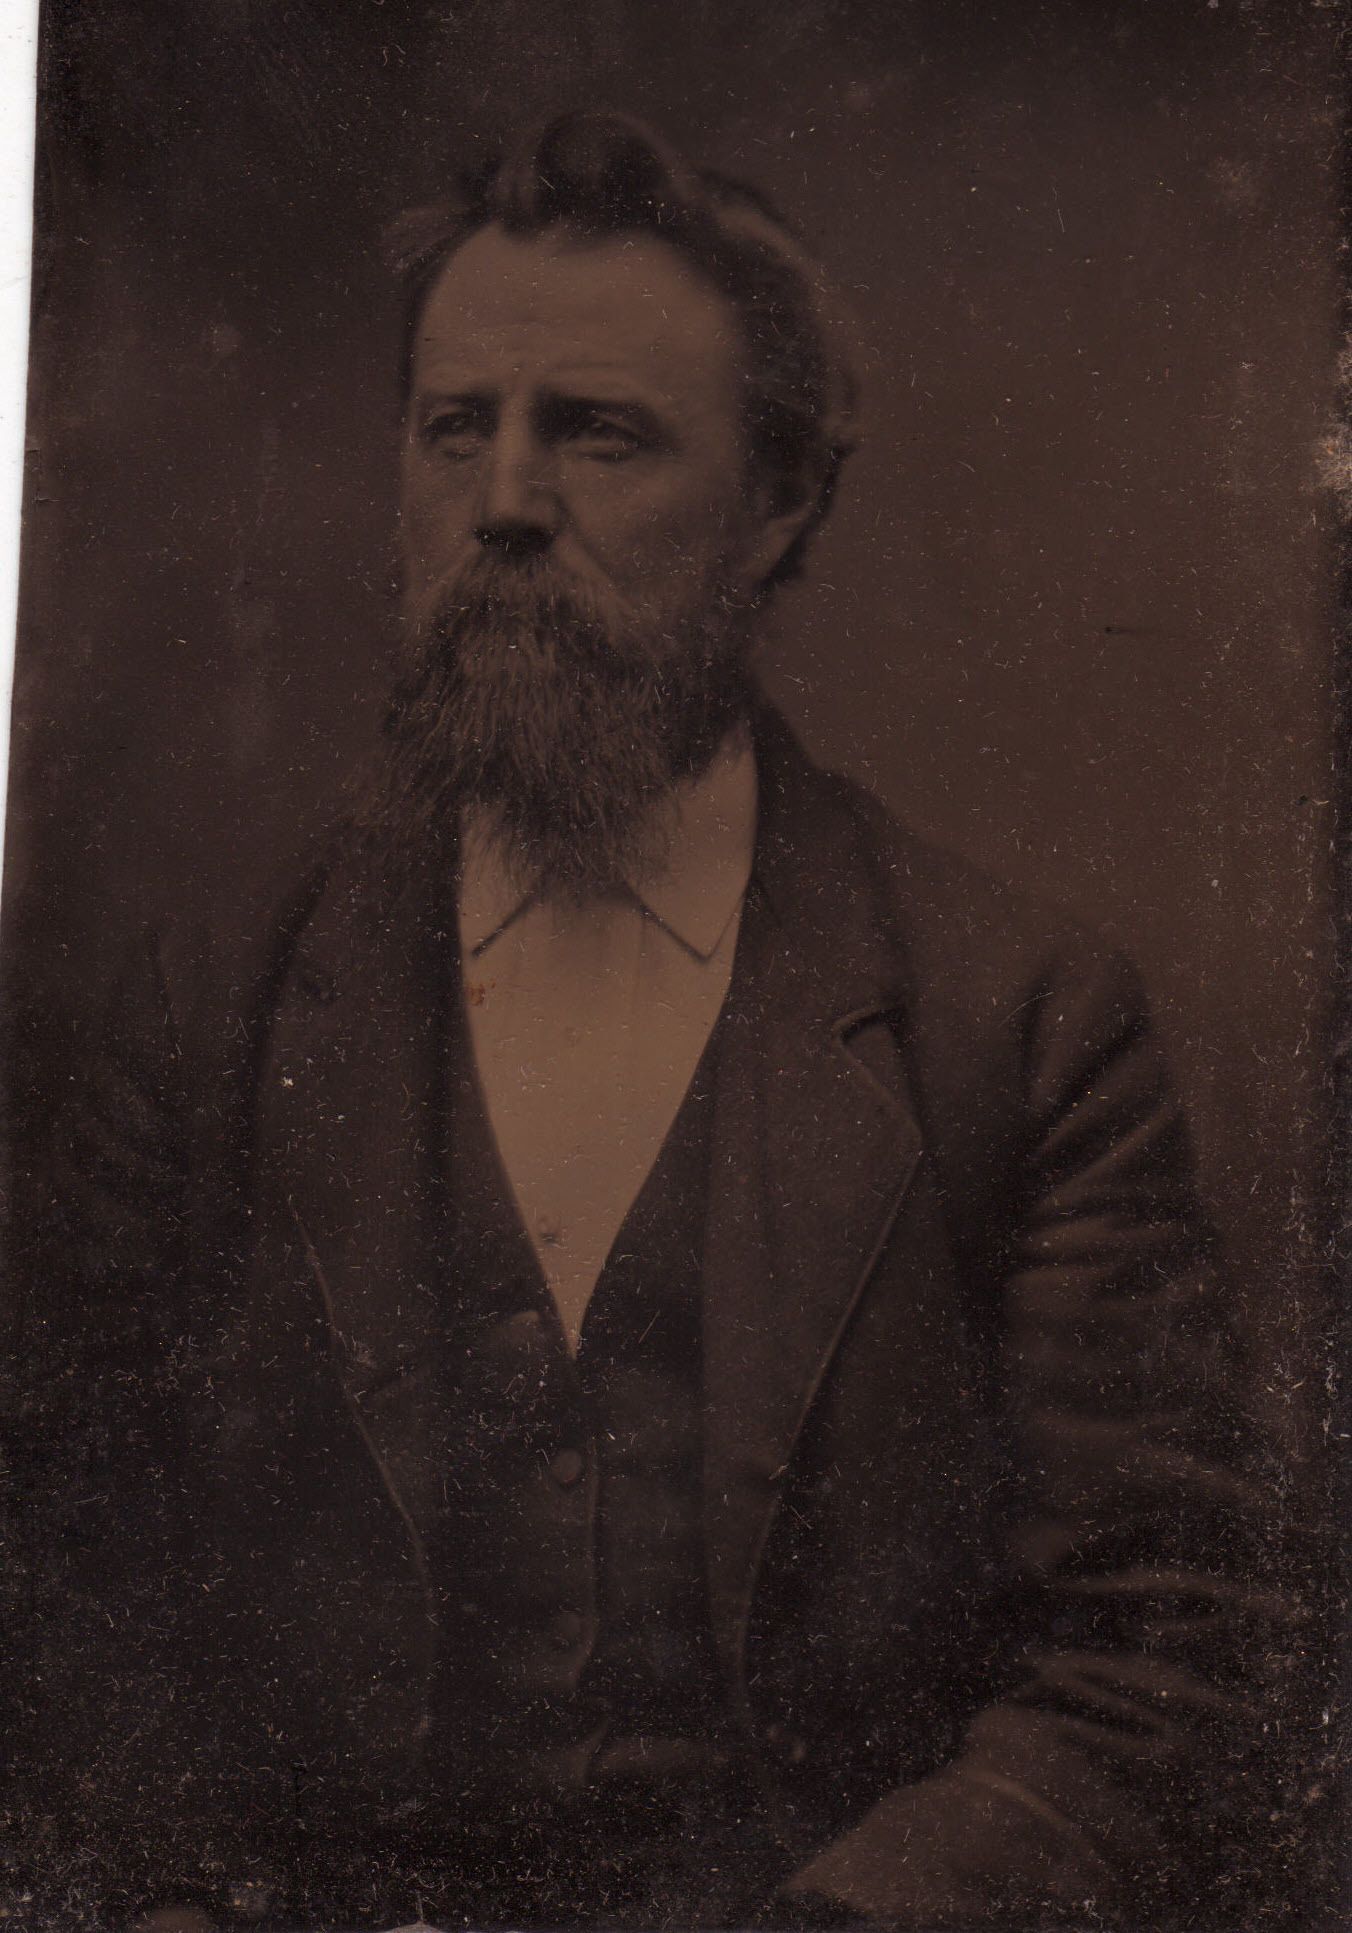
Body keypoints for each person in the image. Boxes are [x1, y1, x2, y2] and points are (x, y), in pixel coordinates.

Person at [5, 111, 1272, 1932]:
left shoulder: (1019, 1018)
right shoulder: (214, 995)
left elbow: (1157, 1653)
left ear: (780, 505)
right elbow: (64, 1574)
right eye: (458, 428)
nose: (506, 501)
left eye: (598, 432)